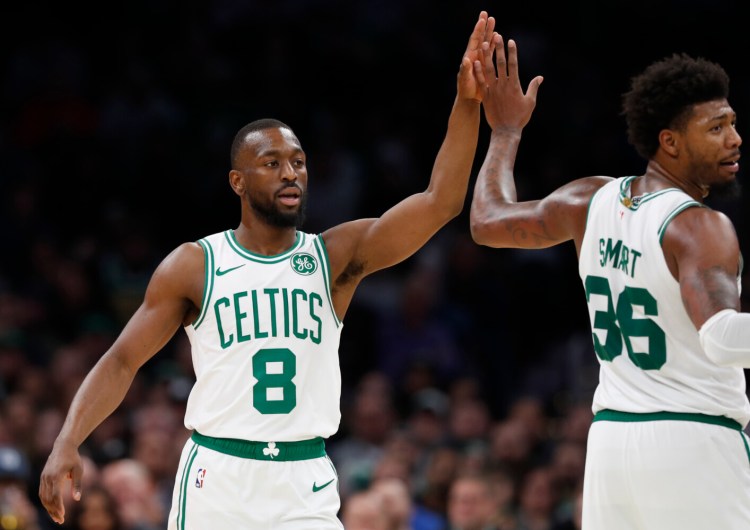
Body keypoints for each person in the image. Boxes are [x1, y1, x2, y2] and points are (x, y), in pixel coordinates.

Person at [38, 10, 500, 529]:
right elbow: (122, 361)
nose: (291, 172)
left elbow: (440, 202)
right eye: (272, 162)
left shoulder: (334, 256)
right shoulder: (195, 264)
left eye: (299, 161)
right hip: (219, 475)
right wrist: (67, 439)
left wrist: (466, 103)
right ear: (238, 181)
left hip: (303, 481)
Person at [469, 37, 750, 528]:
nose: (735, 139)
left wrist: (506, 132)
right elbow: (724, 339)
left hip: (611, 445)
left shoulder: (589, 201)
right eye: (717, 128)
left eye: (732, 123)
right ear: (671, 142)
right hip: (694, 444)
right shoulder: (699, 226)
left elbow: (488, 221)